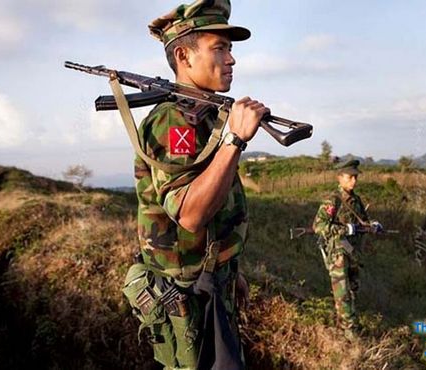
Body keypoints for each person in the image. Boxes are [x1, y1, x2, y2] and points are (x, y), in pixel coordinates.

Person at [121, 1, 269, 369]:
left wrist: (228, 270)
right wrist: (235, 140)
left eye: (230, 49)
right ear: (184, 57)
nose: (232, 59)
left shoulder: (203, 116)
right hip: (186, 297)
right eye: (220, 48)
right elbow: (190, 214)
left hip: (210, 283)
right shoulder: (174, 121)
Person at [312, 159, 383, 340]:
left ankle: (346, 324)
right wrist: (344, 229)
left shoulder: (356, 200)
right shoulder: (332, 200)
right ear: (340, 177)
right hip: (338, 253)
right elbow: (318, 226)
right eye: (350, 177)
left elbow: (363, 222)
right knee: (342, 293)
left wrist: (373, 226)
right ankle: (350, 331)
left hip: (353, 252)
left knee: (352, 290)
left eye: (356, 177)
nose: (354, 181)